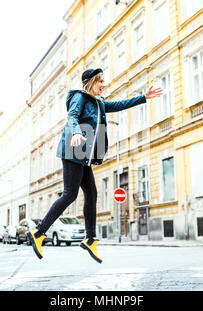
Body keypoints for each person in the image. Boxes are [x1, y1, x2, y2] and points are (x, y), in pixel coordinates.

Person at [27, 68, 163, 263]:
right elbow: (72, 116)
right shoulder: (80, 97)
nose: (104, 84)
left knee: (92, 194)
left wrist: (144, 97)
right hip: (73, 149)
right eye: (100, 81)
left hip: (85, 155)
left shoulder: (98, 104)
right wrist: (75, 132)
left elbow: (118, 105)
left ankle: (90, 239)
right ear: (91, 82)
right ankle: (39, 232)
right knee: (70, 194)